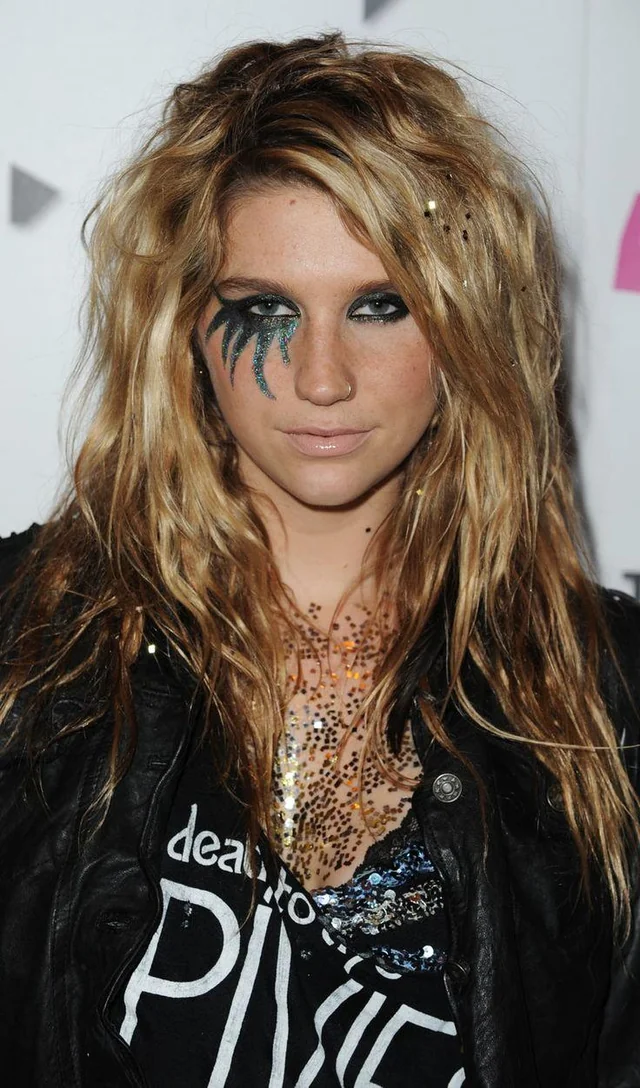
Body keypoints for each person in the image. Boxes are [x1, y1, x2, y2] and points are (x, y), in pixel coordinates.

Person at [0, 31, 638, 1088]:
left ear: (465, 323)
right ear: (188, 329)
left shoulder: (600, 695)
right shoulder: (27, 640)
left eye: (379, 306)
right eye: (266, 308)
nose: (321, 376)